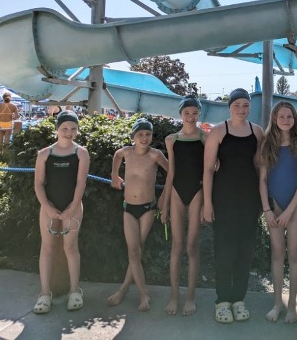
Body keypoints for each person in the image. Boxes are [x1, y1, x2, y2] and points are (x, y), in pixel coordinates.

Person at [202, 88, 264, 324]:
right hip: (223, 199)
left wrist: (262, 202)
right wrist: (207, 203)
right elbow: (208, 170)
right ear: (229, 107)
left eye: (246, 105)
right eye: (237, 105)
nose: (241, 109)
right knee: (224, 251)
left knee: (244, 251)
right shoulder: (218, 132)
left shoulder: (257, 131)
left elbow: (260, 168)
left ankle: (239, 299)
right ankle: (222, 300)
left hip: (248, 199)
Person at [258, 101, 297, 324]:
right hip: (274, 205)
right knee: (277, 254)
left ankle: (292, 306)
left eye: (289, 116)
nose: (285, 120)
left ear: (295, 119)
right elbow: (262, 180)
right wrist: (267, 210)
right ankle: (277, 303)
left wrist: (290, 211)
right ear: (274, 118)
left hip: (294, 206)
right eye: (281, 116)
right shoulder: (267, 144)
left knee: (294, 254)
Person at [108, 118, 169, 311]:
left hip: (148, 209)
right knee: (134, 252)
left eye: (148, 134)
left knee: (136, 251)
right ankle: (138, 292)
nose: (144, 138)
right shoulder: (127, 152)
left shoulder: (155, 155)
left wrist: (164, 197)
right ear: (133, 136)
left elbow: (172, 173)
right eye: (140, 134)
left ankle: (132, 292)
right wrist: (114, 175)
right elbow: (117, 155)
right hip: (129, 208)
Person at [32, 110, 90, 314]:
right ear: (57, 129)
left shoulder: (81, 153)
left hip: (73, 206)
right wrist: (47, 207)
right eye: (64, 128)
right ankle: (44, 293)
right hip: (49, 205)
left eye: (73, 128)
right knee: (47, 248)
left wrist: (72, 208)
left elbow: (81, 183)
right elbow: (38, 184)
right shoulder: (44, 154)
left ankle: (75, 290)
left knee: (70, 248)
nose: (69, 132)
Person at [161, 96, 207, 316]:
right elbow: (171, 172)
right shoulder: (171, 139)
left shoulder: (205, 138)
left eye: (195, 113)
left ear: (199, 114)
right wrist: (165, 203)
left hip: (197, 191)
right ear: (180, 114)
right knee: (176, 246)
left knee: (191, 246)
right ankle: (174, 296)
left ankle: (190, 297)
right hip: (177, 192)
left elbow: (209, 171)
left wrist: (207, 202)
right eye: (187, 113)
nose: (191, 117)